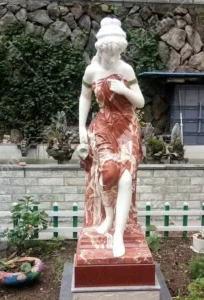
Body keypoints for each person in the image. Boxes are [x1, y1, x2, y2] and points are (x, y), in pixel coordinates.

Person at [78, 17, 145, 257]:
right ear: (102, 50)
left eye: (119, 53)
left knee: (126, 179)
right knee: (107, 173)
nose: (115, 58)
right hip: (102, 126)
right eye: (111, 54)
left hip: (127, 127)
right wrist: (80, 130)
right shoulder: (92, 70)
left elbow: (140, 102)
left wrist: (125, 90)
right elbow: (85, 97)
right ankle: (107, 216)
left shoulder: (126, 69)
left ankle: (118, 234)